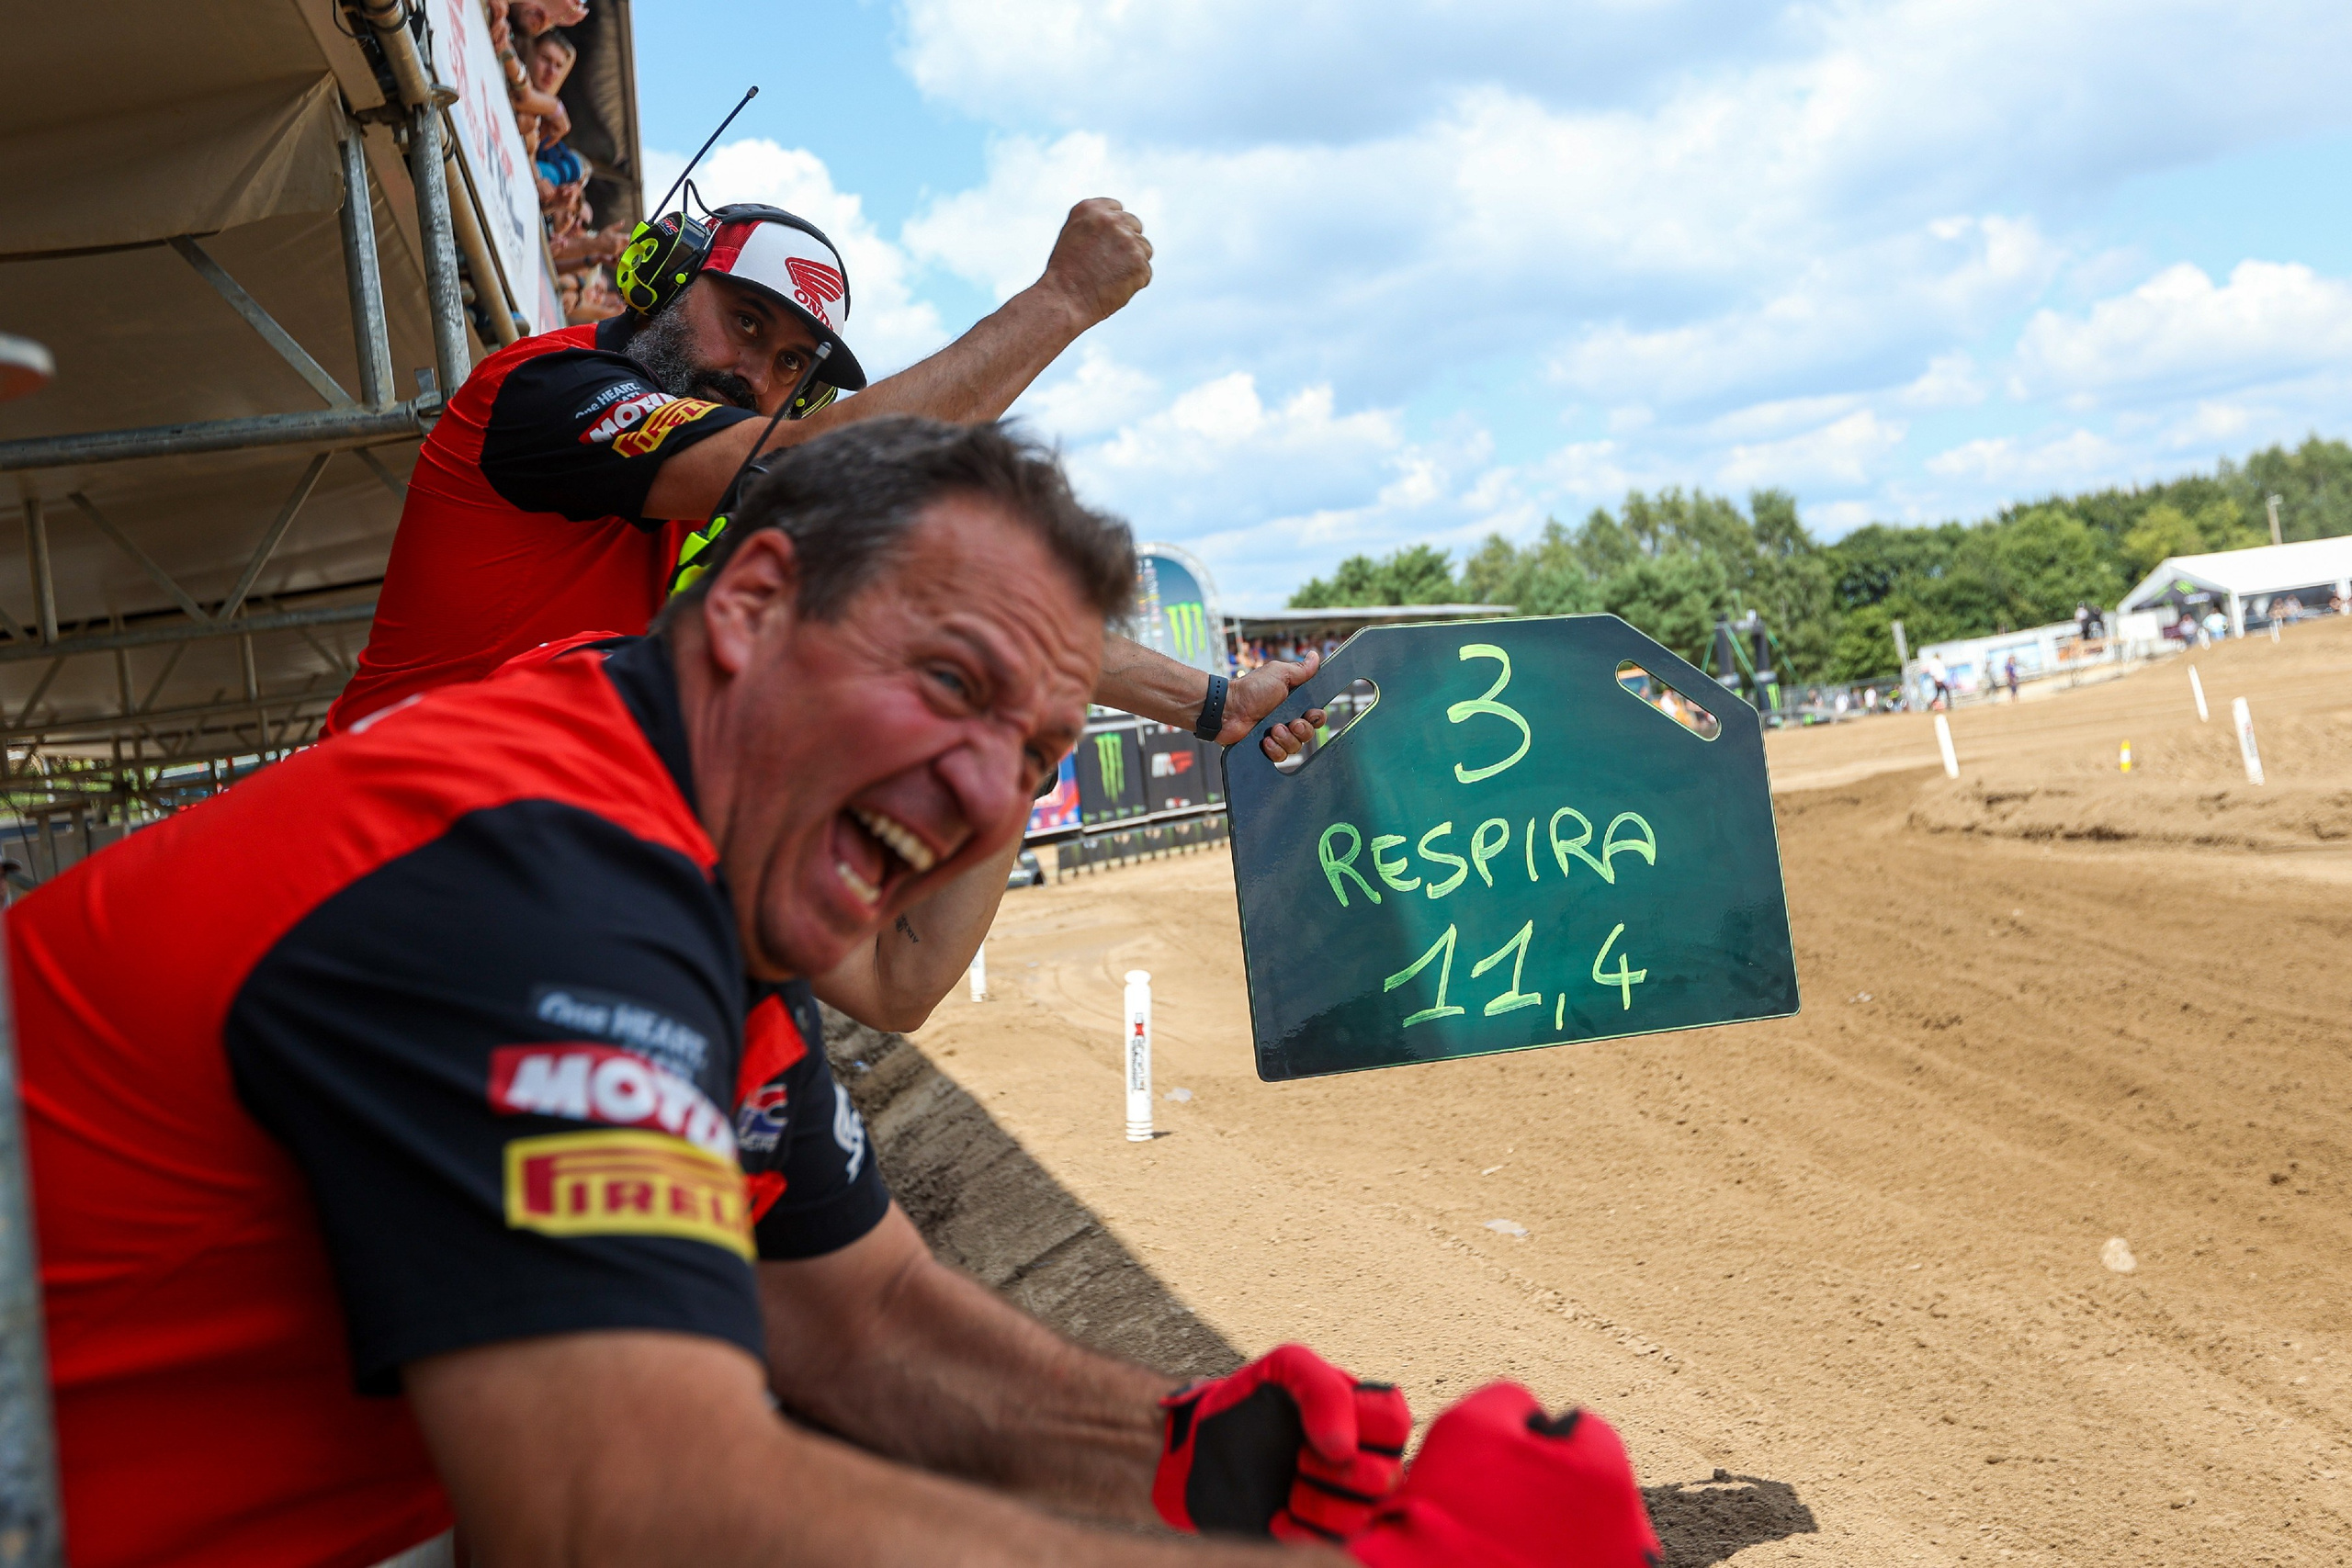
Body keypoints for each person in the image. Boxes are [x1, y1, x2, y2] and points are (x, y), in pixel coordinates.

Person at [14, 421, 1655, 1568]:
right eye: (949, 680)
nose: (984, 791)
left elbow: (860, 1321)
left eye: (1035, 750)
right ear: (746, 608)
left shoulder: (676, 855)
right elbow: (624, 1514)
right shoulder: (544, 873)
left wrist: (1177, 1442)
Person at [325, 199, 1319, 758]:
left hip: (501, 846)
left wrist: (1216, 702)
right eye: (743, 321)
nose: (754, 374)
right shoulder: (544, 389)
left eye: (791, 364)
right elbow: (805, 463)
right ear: (661, 280)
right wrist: (1059, 300)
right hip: (384, 833)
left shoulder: (710, 499)